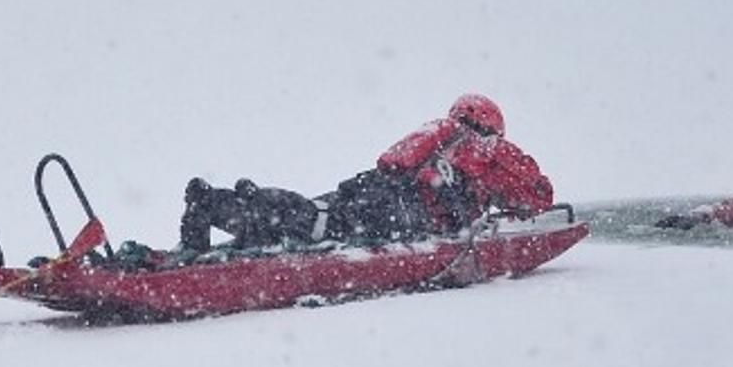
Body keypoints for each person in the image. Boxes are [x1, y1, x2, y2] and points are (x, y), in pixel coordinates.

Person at [178, 94, 556, 252]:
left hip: (372, 186)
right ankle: (223, 203)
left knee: (314, 220)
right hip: (398, 209)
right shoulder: (481, 149)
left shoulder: (435, 135)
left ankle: (238, 203)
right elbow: (538, 193)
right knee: (316, 226)